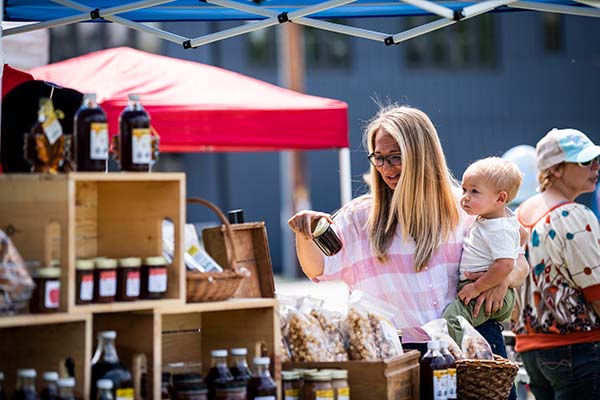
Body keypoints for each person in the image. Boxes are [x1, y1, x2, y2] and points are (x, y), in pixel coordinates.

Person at [288, 104, 529, 361]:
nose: (386, 167)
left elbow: (519, 259)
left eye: (395, 156)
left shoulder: (465, 206)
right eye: (378, 157)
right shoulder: (359, 216)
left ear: (422, 154)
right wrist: (304, 234)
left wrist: (502, 278)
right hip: (394, 353)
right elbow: (318, 268)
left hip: (471, 346)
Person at [514, 128, 600, 400]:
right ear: (558, 169)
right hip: (577, 348)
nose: (595, 167)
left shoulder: (521, 214)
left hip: (530, 350)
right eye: (585, 161)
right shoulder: (574, 215)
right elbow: (596, 290)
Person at [442, 157, 523, 345]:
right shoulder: (495, 219)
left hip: (484, 291)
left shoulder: (498, 228)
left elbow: (505, 264)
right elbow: (523, 234)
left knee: (451, 321)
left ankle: (467, 357)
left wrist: (477, 287)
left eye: (474, 191)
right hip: (483, 287)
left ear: (500, 198)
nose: (465, 197)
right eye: (464, 189)